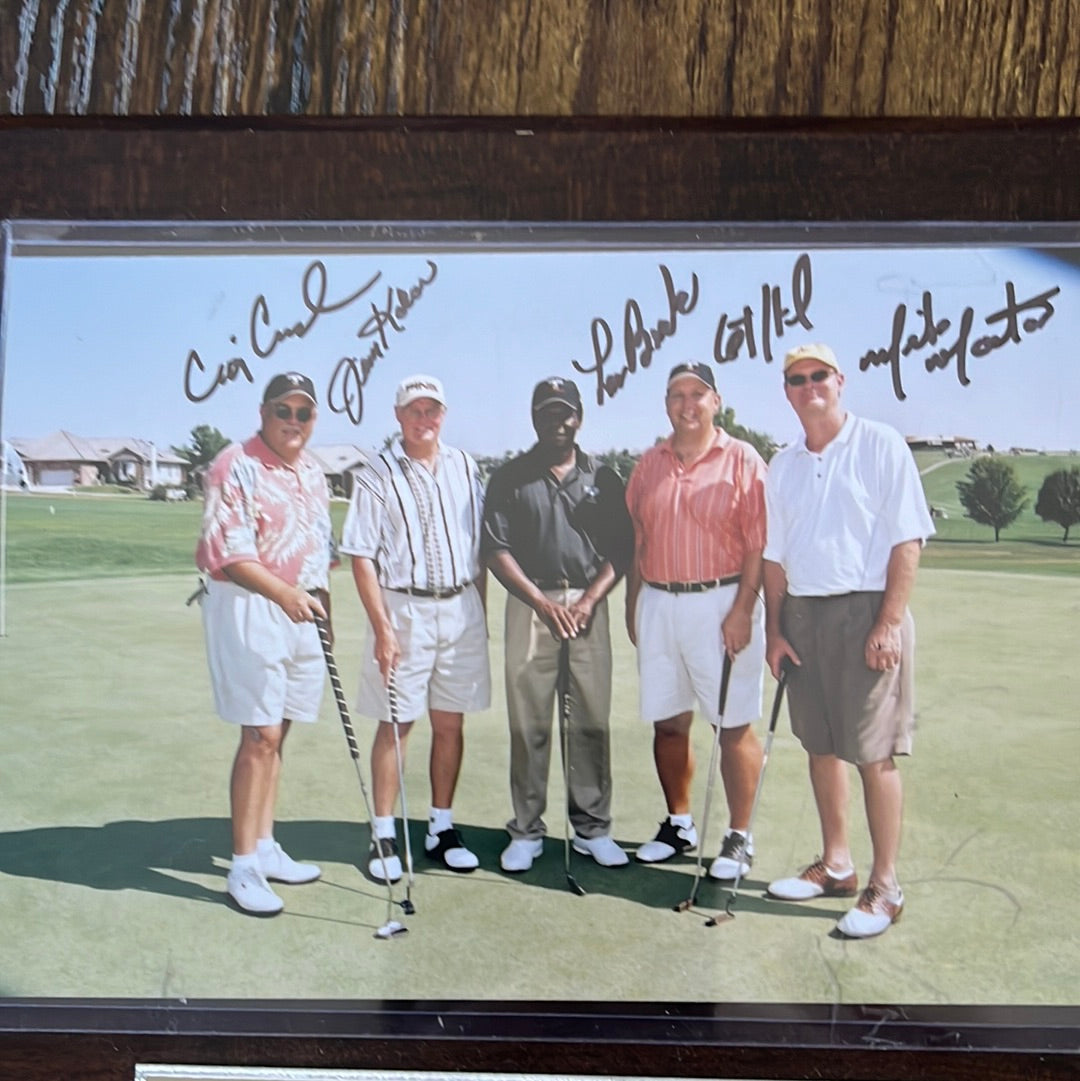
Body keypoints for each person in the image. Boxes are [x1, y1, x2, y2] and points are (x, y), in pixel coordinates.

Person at [762, 343, 934, 938]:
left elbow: (907, 540)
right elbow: (774, 557)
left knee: (873, 753)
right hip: (804, 615)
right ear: (786, 391)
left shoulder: (880, 443)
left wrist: (888, 623)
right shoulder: (781, 464)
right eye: (795, 379)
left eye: (818, 376)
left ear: (839, 381)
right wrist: (774, 629)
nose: (808, 386)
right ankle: (836, 864)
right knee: (820, 745)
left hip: (865, 614)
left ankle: (885, 888)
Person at [340, 374, 490, 882]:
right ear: (398, 415)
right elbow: (360, 556)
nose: (424, 419)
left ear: (443, 414)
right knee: (398, 723)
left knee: (450, 723)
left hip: (462, 606)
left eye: (433, 410)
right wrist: (382, 628)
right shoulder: (376, 473)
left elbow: (480, 546)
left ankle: (441, 828)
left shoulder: (466, 466)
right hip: (404, 610)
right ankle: (384, 831)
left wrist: (480, 612)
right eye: (414, 411)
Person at [482, 377, 635, 872]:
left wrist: (590, 599)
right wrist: (541, 603)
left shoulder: (603, 476)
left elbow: (620, 550)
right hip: (531, 602)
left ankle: (592, 827)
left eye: (565, 413)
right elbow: (496, 550)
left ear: (580, 417)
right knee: (530, 721)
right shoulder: (510, 477)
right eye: (548, 413)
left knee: (590, 717)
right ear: (534, 418)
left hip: (589, 603)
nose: (558, 422)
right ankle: (526, 830)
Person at [196, 371, 333, 916]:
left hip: (301, 610)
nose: (293, 422)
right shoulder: (235, 463)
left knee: (281, 731)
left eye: (304, 412)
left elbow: (320, 553)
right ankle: (243, 866)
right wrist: (285, 595)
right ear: (263, 411)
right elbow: (230, 555)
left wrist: (325, 616)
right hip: (250, 604)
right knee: (260, 735)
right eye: (284, 410)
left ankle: (266, 844)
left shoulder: (315, 472)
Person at [624, 361, 768, 880]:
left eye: (697, 394)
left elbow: (757, 543)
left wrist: (743, 610)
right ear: (667, 404)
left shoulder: (743, 460)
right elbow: (639, 539)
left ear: (716, 401)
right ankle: (678, 824)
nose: (687, 404)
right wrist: (632, 605)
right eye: (676, 395)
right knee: (668, 723)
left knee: (732, 726)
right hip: (660, 602)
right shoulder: (648, 464)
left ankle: (739, 836)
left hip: (722, 600)